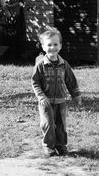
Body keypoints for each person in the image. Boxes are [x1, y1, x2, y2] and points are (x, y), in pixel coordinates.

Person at [31, 27, 82, 156]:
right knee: (48, 124)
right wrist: (41, 97)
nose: (52, 47)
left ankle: (61, 145)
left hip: (61, 101)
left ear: (60, 46)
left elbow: (71, 81)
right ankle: (49, 146)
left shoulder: (64, 64)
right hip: (46, 102)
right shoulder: (40, 65)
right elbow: (35, 82)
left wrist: (76, 95)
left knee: (61, 125)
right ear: (43, 47)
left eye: (55, 44)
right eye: (49, 45)